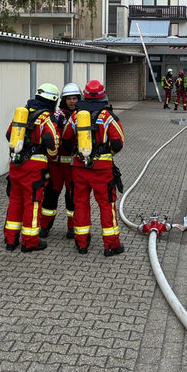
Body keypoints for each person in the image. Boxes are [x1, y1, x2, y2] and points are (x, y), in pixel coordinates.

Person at [61, 80, 126, 256]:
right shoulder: (108, 116)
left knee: (80, 203)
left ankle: (81, 243)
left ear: (85, 95)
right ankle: (111, 245)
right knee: (106, 205)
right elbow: (118, 143)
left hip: (79, 169)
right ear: (103, 95)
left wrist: (79, 152)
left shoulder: (75, 115)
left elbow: (66, 139)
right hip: (101, 170)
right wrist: (105, 154)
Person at [4, 83, 60, 253]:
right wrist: (52, 155)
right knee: (33, 203)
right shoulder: (46, 118)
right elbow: (51, 139)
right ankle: (30, 241)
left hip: (16, 165)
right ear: (52, 101)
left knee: (15, 201)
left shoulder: (22, 114)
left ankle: (10, 240)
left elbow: (9, 134)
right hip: (34, 169)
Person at [39, 82, 81, 239]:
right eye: (69, 98)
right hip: (56, 164)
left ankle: (72, 227)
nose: (72, 101)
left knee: (73, 196)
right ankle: (44, 226)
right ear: (64, 100)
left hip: (72, 164)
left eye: (75, 98)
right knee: (50, 195)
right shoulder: (56, 116)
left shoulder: (82, 116)